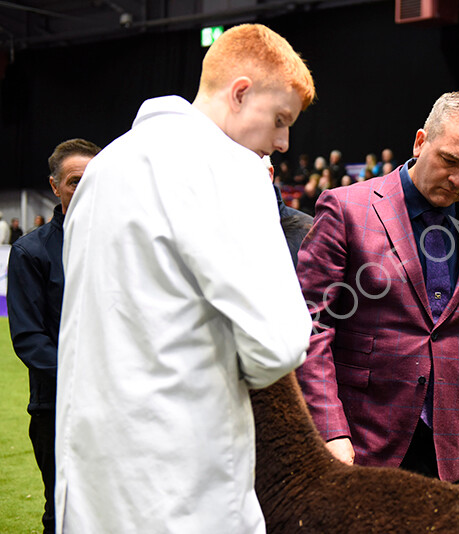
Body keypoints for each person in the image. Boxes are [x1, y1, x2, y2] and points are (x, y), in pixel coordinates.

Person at [55, 24, 314, 534]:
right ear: (240, 93)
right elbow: (278, 346)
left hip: (92, 473)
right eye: (280, 120)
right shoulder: (229, 168)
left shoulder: (105, 166)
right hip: (184, 480)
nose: (282, 142)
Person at [296, 90, 459, 485]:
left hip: (449, 454)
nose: (458, 180)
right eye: (449, 160)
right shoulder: (346, 209)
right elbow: (311, 328)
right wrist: (330, 429)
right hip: (359, 445)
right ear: (420, 141)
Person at [7, 138, 101, 534]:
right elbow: (29, 339)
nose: (84, 188)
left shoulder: (121, 243)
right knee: (62, 512)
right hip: (57, 408)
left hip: (118, 406)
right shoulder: (31, 252)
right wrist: (88, 380)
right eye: (74, 181)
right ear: (54, 186)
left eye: (92, 180)